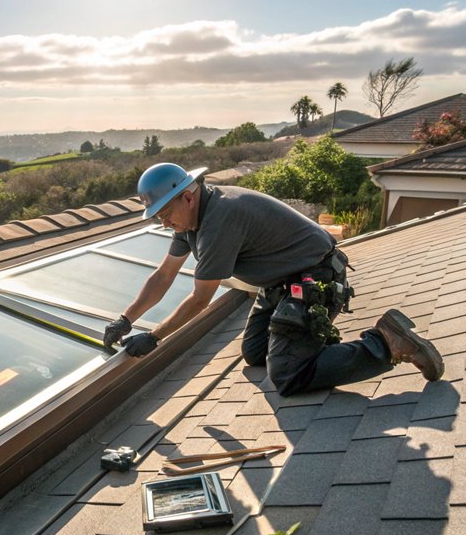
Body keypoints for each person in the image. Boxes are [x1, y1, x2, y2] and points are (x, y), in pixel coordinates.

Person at [103, 162, 443, 396]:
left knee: (287, 375)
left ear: (187, 196)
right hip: (280, 285)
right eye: (158, 218)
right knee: (255, 353)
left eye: (165, 214)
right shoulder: (192, 217)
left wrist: (155, 337)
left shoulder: (219, 221)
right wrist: (125, 319)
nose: (164, 224)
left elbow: (200, 299)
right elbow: (164, 275)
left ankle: (386, 343)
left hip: (316, 280)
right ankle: (306, 345)